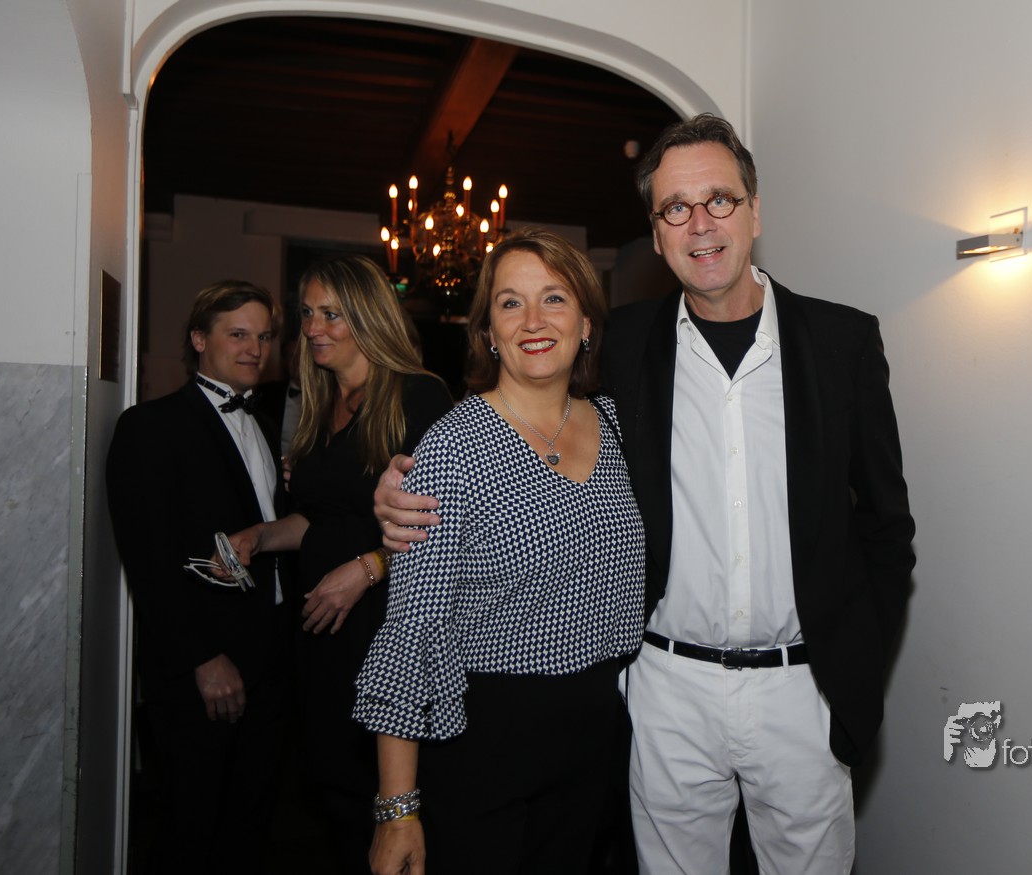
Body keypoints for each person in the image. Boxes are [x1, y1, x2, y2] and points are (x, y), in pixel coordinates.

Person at [374, 114, 917, 874]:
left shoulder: (841, 343)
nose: (700, 224)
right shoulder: (623, 345)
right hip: (665, 692)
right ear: (656, 236)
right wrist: (399, 487)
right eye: (675, 208)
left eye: (719, 200)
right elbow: (511, 425)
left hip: (802, 690)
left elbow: (887, 530)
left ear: (755, 212)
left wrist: (850, 671)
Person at [357, 229, 645, 875]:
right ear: (489, 331)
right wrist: (397, 809)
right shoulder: (452, 447)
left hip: (600, 741)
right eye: (511, 303)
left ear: (586, 324)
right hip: (486, 743)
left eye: (554, 298)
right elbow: (413, 628)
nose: (533, 320)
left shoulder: (619, 425)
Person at [225, 255, 453, 873]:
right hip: (322, 633)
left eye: (332, 314)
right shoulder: (322, 399)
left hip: (387, 627)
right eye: (307, 313)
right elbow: (321, 520)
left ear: (368, 315)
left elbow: (444, 525)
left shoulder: (418, 395)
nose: (313, 328)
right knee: (335, 796)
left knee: (384, 797)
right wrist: (260, 537)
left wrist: (367, 568)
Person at [106, 279, 289, 873]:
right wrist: (204, 658)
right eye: (238, 334)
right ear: (198, 339)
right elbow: (150, 560)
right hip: (202, 668)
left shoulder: (266, 425)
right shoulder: (149, 426)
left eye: (264, 336)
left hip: (270, 655)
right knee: (191, 826)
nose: (254, 348)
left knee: (250, 823)